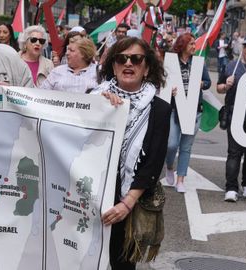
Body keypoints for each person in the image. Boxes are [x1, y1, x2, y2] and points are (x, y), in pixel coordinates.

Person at [93, 37, 171, 270]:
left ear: (146, 68)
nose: (129, 63)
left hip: (127, 204)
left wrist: (126, 204)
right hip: (88, 195)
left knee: (121, 264)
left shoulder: (160, 110)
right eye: (121, 58)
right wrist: (99, 108)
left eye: (136, 59)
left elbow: (153, 164)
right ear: (113, 66)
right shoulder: (93, 97)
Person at [164, 33, 211, 192]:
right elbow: (162, 82)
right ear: (183, 45)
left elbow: (208, 82)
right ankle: (169, 166)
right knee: (171, 144)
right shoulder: (171, 62)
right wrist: (168, 89)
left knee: (186, 146)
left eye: (194, 44)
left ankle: (180, 180)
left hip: (193, 110)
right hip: (174, 109)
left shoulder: (199, 63)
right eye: (191, 44)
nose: (194, 47)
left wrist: (202, 83)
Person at [216, 36, 246, 202]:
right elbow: (219, 88)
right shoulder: (232, 66)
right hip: (234, 115)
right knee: (234, 152)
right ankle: (231, 188)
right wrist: (225, 85)